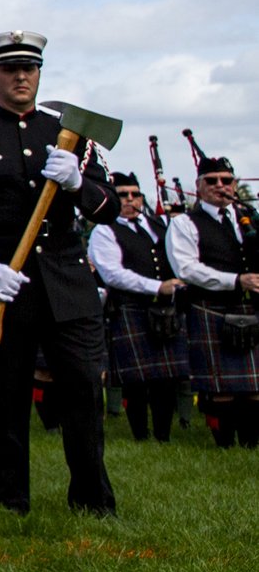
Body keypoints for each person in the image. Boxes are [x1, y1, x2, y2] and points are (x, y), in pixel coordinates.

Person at [0, 30, 120, 514]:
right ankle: (8, 500)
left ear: (40, 73)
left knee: (82, 392)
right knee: (4, 399)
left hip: (66, 282)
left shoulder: (72, 135)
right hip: (4, 284)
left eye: (30, 68)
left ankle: (93, 499)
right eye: (10, 69)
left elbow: (109, 208)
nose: (21, 76)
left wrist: (79, 183)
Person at [165, 154, 259, 448]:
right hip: (211, 308)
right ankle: (224, 443)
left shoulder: (249, 219)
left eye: (226, 180)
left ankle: (251, 442)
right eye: (212, 181)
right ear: (199, 185)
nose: (220, 186)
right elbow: (186, 269)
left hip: (252, 307)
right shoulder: (185, 224)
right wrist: (235, 280)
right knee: (222, 388)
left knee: (255, 386)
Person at [92, 172, 189, 443]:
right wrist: (157, 286)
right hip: (130, 308)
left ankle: (163, 435)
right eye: (123, 195)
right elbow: (113, 274)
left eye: (135, 194)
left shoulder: (159, 224)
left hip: (167, 310)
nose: (131, 200)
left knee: (167, 377)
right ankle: (140, 435)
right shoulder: (104, 230)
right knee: (136, 381)